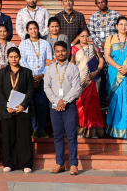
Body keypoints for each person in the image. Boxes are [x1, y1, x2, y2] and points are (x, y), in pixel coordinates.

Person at [44, 41, 82, 175]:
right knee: (58, 136)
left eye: (63, 51)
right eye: (58, 51)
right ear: (54, 53)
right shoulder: (49, 69)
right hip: (54, 106)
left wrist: (64, 101)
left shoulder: (73, 68)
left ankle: (73, 164)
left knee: (72, 136)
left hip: (69, 105)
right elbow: (46, 87)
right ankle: (60, 164)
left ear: (67, 52)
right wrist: (57, 101)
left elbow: (76, 88)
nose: (60, 53)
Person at [0, 47, 34, 173]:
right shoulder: (2, 73)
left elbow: (30, 91)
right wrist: (6, 106)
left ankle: (26, 164)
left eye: (16, 57)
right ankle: (9, 163)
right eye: (11, 57)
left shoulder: (27, 72)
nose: (13, 59)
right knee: (8, 138)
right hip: (7, 110)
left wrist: (23, 105)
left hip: (23, 110)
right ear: (7, 58)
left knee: (24, 137)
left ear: (20, 57)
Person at [18, 20, 53, 138]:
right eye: (31, 29)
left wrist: (41, 75)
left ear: (38, 29)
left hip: (43, 79)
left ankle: (41, 129)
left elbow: (49, 62)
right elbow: (22, 61)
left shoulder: (45, 44)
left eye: (35, 28)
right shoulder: (23, 44)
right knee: (30, 104)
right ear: (27, 31)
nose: (33, 31)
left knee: (42, 104)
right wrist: (32, 76)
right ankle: (33, 129)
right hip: (29, 79)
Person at [72, 26, 105, 138]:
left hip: (93, 80)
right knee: (80, 106)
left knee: (92, 105)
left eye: (87, 36)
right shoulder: (74, 49)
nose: (85, 38)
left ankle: (93, 131)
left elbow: (101, 60)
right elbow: (72, 64)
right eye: (82, 36)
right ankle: (81, 131)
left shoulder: (93, 47)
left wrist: (97, 71)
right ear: (78, 37)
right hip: (80, 80)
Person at [88, 0, 121, 109]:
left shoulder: (115, 15)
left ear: (106, 2)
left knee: (112, 75)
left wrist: (109, 43)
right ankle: (102, 101)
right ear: (96, 4)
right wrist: (99, 43)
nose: (101, 4)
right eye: (98, 3)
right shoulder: (93, 17)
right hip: (99, 52)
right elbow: (90, 32)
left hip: (113, 51)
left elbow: (120, 31)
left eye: (103, 2)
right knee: (101, 76)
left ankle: (113, 99)